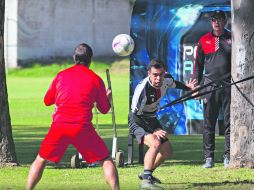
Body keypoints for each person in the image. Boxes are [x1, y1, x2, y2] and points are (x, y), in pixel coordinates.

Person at [26, 43, 119, 190]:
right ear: (90, 60)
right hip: (82, 127)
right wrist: (108, 97)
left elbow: (47, 101)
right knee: (106, 160)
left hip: (59, 125)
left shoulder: (61, 75)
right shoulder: (96, 79)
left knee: (40, 159)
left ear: (74, 58)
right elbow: (104, 109)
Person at [129, 59, 196, 190]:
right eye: (155, 75)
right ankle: (146, 183)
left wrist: (188, 88)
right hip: (137, 120)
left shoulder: (166, 79)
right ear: (149, 73)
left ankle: (146, 174)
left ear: (164, 73)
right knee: (155, 143)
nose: (158, 78)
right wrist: (154, 132)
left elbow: (175, 84)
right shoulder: (142, 90)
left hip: (152, 118)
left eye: (161, 74)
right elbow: (137, 116)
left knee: (167, 152)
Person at [193, 10, 231, 168]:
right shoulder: (204, 40)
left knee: (230, 123)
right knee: (209, 124)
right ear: (211, 22)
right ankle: (209, 158)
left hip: (230, 86)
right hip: (209, 87)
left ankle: (228, 156)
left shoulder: (232, 38)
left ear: (225, 21)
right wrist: (196, 86)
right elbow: (198, 66)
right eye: (214, 20)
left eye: (220, 19)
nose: (216, 22)